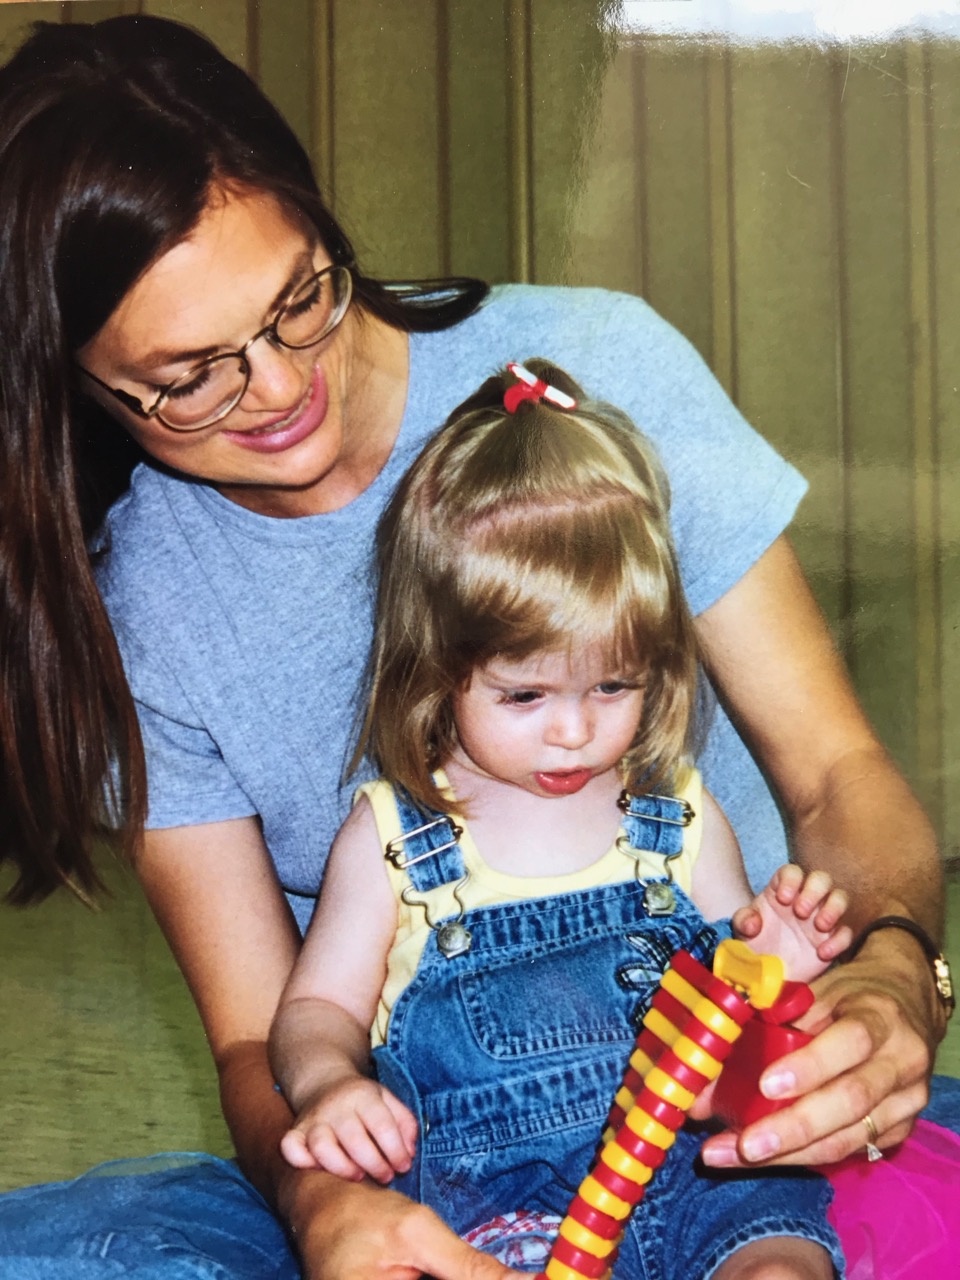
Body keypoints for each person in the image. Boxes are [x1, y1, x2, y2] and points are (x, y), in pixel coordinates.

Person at [0, 12, 953, 1280]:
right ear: (72, 380)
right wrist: (328, 1207)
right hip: (430, 1153)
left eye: (300, 298)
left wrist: (895, 978)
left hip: (737, 1138)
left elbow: (839, 778)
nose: (281, 390)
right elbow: (259, 1043)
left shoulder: (600, 371)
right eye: (188, 377)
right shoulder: (139, 602)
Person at [269, 360, 854, 1279]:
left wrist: (777, 961)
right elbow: (314, 1008)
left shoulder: (679, 814)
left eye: (613, 684)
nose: (574, 731)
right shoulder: (394, 836)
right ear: (438, 666)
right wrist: (331, 1084)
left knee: (779, 1258)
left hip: (703, 1178)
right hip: (498, 1207)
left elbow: (734, 997)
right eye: (526, 692)